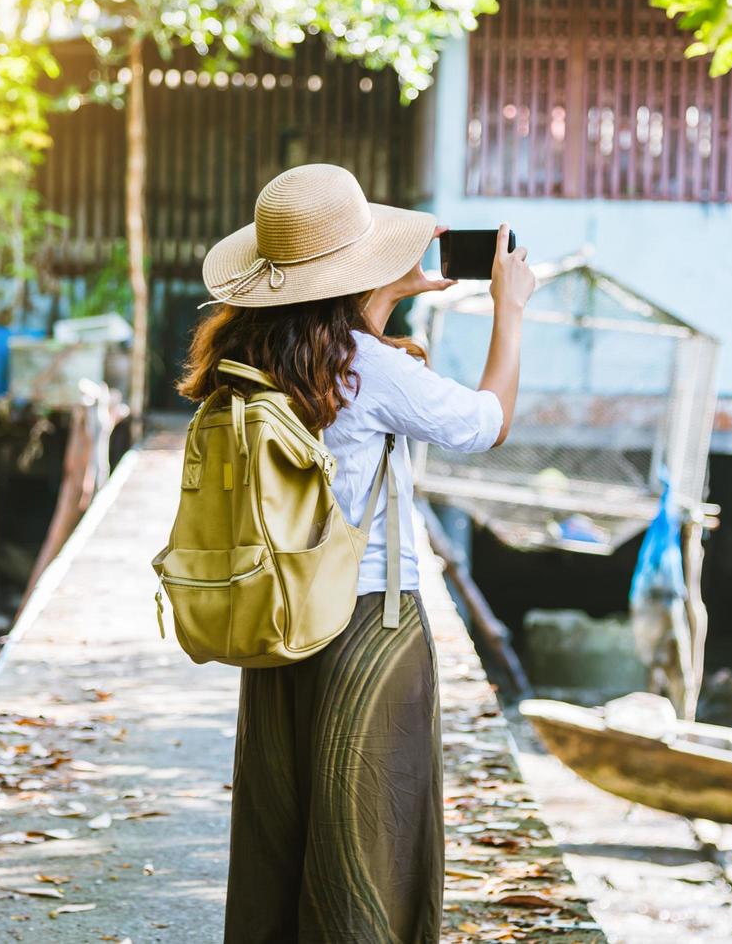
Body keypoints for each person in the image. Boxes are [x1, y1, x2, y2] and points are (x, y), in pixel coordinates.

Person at [178, 163, 535, 943]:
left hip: (276, 621)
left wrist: (386, 293)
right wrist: (510, 311)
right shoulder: (366, 367)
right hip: (370, 625)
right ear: (356, 269)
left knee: (281, 836)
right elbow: (484, 422)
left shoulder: (241, 356)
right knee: (371, 845)